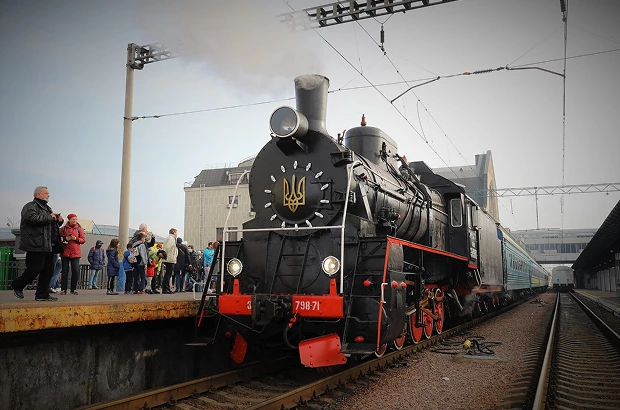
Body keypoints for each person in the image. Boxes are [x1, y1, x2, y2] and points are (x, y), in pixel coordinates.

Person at [12, 186, 63, 301]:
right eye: (46, 193)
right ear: (38, 194)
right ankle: (17, 285)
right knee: (34, 269)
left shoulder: (47, 208)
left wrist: (59, 220)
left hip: (49, 244)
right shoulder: (30, 206)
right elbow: (32, 219)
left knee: (48, 271)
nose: (48, 195)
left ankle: (42, 294)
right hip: (35, 244)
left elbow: (48, 225)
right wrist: (49, 217)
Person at [59, 213, 85, 295]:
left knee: (75, 271)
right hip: (65, 252)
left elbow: (83, 240)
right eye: (73, 219)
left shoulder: (79, 229)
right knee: (64, 271)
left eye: (76, 219)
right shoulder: (63, 229)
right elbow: (58, 238)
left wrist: (75, 238)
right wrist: (65, 239)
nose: (75, 221)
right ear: (69, 220)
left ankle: (73, 289)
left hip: (75, 253)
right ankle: (63, 289)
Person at [161, 228, 178, 294]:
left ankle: (166, 287)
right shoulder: (171, 238)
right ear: (174, 232)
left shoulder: (168, 238)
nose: (177, 234)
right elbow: (167, 247)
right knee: (168, 274)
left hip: (168, 258)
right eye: (176, 232)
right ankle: (165, 288)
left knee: (167, 274)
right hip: (170, 259)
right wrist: (165, 254)